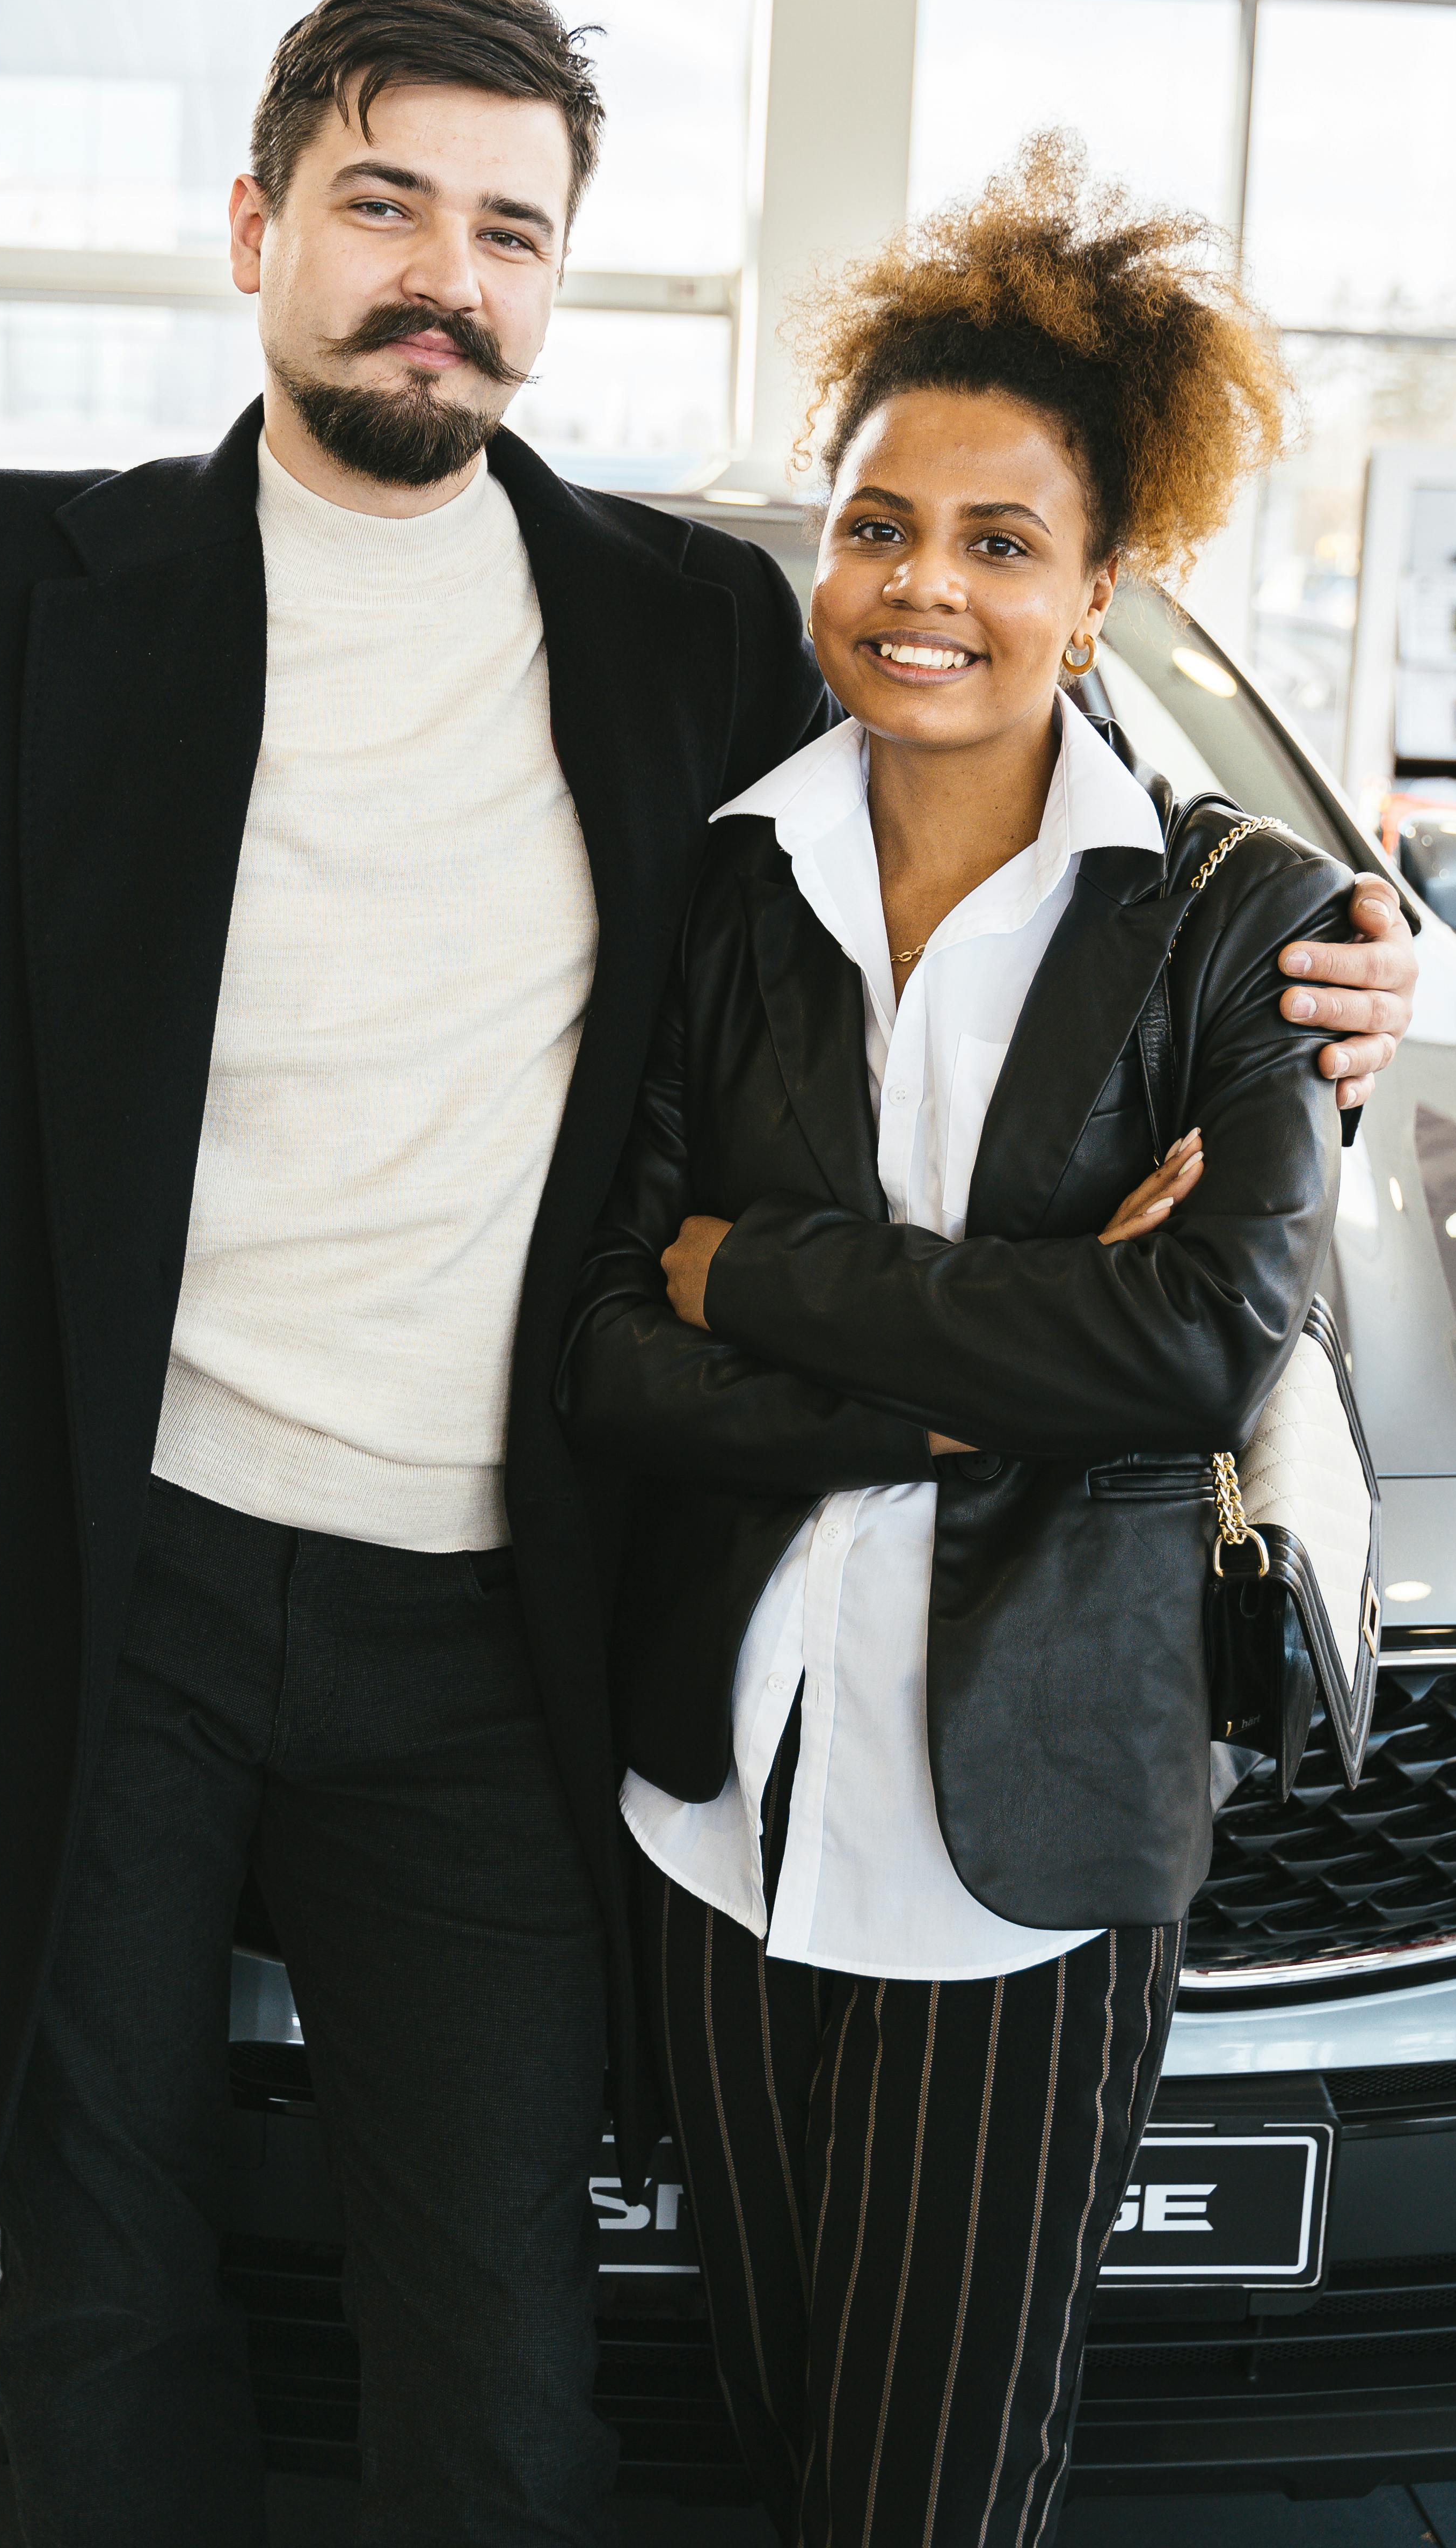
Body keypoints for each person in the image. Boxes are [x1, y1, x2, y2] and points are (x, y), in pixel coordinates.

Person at [0, 0, 1407, 2548]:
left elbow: (986, 756)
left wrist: (1288, 952)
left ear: (553, 285)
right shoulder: (14, 582)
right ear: (257, 227)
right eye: (382, 202)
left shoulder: (682, 644)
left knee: (493, 2351)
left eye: (509, 229)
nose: (440, 276)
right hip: (98, 1596)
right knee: (111, 2299)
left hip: (490, 1629)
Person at [557, 135, 1374, 2547]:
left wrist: (769, 1277)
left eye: (999, 543)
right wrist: (989, 1365)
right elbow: (604, 1344)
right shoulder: (716, 887)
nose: (924, 588)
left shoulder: (1243, 927)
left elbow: (1204, 1349)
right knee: (776, 2426)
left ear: (1100, 586)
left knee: (935, 2486)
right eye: (879, 526)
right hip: (718, 1808)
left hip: (1020, 1836)